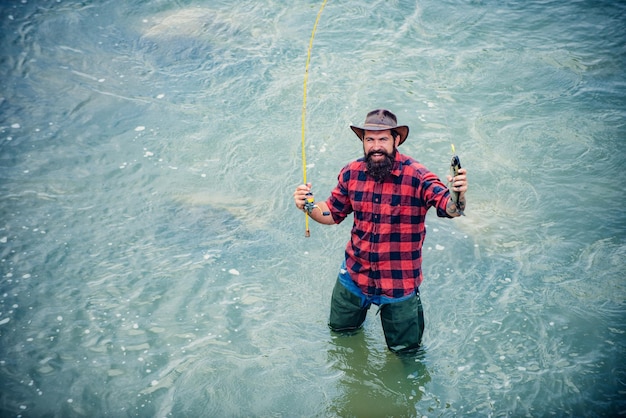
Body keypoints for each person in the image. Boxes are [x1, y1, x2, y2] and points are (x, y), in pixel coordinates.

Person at [293, 109, 468, 353]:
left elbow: (450, 208)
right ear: (363, 142)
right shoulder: (351, 172)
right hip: (354, 276)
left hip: (399, 284)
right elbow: (331, 213)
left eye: (383, 139)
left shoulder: (418, 175)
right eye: (369, 139)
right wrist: (308, 204)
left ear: (396, 140)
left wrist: (457, 195)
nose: (376, 146)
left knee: (407, 355)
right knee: (341, 337)